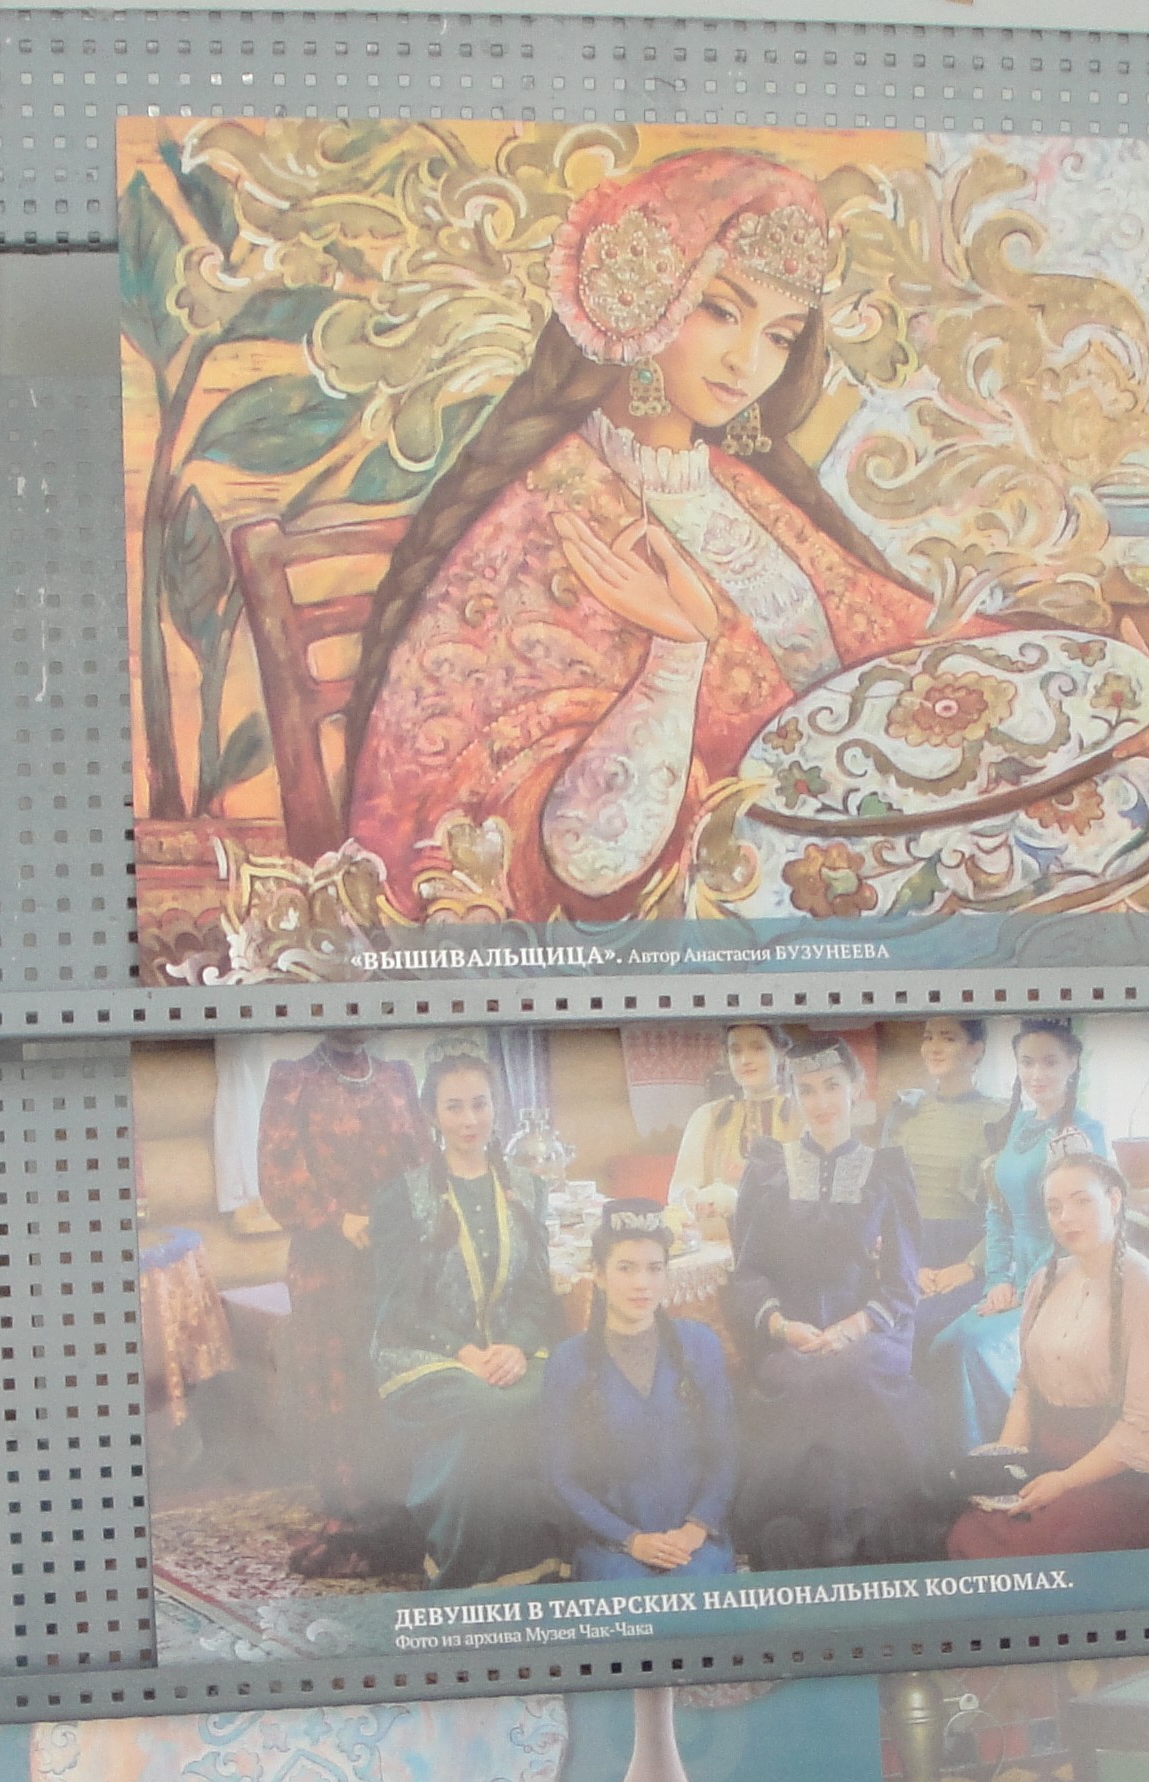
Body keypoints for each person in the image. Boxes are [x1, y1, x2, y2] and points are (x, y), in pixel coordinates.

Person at [343, 149, 938, 922]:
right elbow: (573, 856)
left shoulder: (739, 486)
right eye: (720, 311)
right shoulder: (548, 517)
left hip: (830, 858)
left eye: (780, 336)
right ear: (645, 301)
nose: (747, 362)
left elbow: (886, 649)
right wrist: (675, 657)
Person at [725, 1037, 924, 1566]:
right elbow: (748, 1272)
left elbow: (902, 1283)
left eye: (832, 1086)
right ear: (793, 1097)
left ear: (856, 1088)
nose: (821, 1102)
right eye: (807, 1090)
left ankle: (867, 1535)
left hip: (869, 1333)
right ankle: (793, 1539)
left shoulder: (886, 1171)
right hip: (790, 1334)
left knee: (850, 1373)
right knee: (804, 1377)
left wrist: (854, 1327)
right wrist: (780, 1326)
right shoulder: (769, 1169)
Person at [368, 1049, 563, 1586]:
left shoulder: (528, 1188)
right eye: (454, 1107)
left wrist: (517, 1346)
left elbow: (537, 1292)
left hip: (507, 1351)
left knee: (564, 1387)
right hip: (421, 1352)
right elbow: (398, 1309)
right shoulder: (402, 1196)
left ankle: (540, 1560)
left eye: (480, 1104)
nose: (470, 1119)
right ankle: (464, 1566)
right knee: (484, 1404)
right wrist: (467, 1354)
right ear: (432, 1115)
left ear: (497, 1106)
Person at [949, 1143, 1149, 1559]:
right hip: (1046, 1461)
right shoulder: (1045, 1281)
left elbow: (1147, 1426)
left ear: (1113, 1201)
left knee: (1028, 1550)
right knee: (969, 1530)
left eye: (1082, 1201)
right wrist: (1003, 1470)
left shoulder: (1146, 1289)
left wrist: (1063, 1482)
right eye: (1054, 1207)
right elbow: (1027, 1388)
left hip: (1116, 1476)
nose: (1066, 1217)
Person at [254, 1034, 430, 1577]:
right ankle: (353, 1520)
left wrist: (412, 1222)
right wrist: (338, 1219)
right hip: (327, 1266)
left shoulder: (399, 1075)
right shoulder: (293, 1078)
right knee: (339, 1387)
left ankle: (405, 1518)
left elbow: (423, 1161)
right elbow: (278, 1173)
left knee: (394, 1378)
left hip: (395, 1259)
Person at [924, 1018, 1110, 1451]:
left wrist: (1030, 1290)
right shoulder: (1018, 1126)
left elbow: (1082, 1231)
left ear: (1072, 1063)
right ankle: (962, 1465)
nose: (1036, 1074)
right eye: (1027, 1063)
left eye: (1049, 1062)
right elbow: (998, 1212)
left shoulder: (1084, 1132)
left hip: (1064, 1281)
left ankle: (1005, 1458)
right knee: (944, 1344)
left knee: (971, 1346)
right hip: (1014, 1280)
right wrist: (997, 1281)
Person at [542, 1205, 737, 1581]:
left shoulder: (700, 1345)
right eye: (626, 1268)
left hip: (693, 1542)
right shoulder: (568, 1362)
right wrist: (629, 1539)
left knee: (696, 1591)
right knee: (627, 1599)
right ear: (598, 1274)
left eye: (654, 1268)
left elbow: (726, 1452)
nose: (642, 1284)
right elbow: (560, 1475)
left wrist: (696, 1527)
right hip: (610, 1544)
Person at [883, 1016, 996, 1363]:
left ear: (975, 1049)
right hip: (911, 1255)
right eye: (928, 1037)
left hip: (969, 1256)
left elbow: (1013, 1210)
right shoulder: (905, 1110)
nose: (933, 1047)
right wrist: (907, 1265)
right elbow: (888, 1199)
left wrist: (972, 1266)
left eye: (948, 1038)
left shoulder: (1001, 1115)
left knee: (924, 1329)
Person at [668, 1022, 801, 1235]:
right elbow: (680, 1192)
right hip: (718, 1240)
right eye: (736, 1051)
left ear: (780, 1053)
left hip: (787, 1239)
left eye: (757, 1048)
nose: (745, 1060)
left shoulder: (801, 1115)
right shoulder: (707, 1117)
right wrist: (703, 1202)